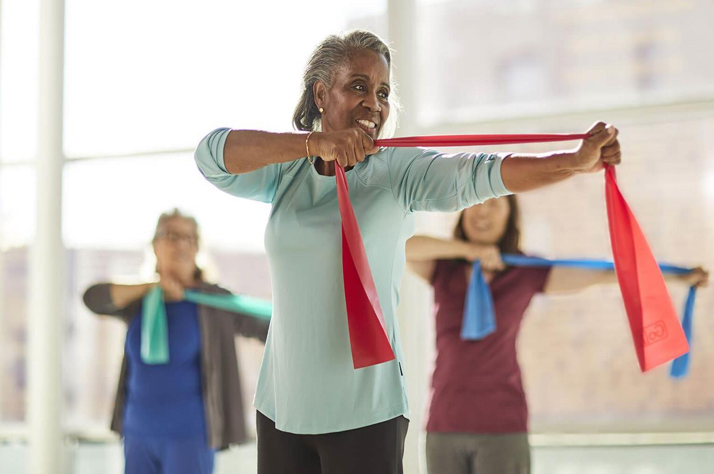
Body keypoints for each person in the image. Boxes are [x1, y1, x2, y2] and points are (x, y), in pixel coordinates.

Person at [194, 29, 622, 474]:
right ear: (321, 94)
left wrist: (572, 161)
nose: (374, 104)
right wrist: (311, 145)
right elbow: (210, 155)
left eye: (382, 92)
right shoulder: (285, 171)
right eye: (358, 86)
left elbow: (483, 175)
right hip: (281, 406)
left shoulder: (398, 172)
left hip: (365, 411)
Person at [406, 196, 709, 474]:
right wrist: (469, 251)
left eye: (495, 204)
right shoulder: (442, 267)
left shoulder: (525, 272)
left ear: (510, 217)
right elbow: (405, 247)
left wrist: (678, 275)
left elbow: (603, 274)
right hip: (443, 423)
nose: (483, 211)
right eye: (476, 202)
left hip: (500, 423)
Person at [82, 209, 269, 474]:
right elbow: (92, 298)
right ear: (155, 245)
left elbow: (270, 328)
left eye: (188, 238)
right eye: (171, 235)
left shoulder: (214, 303)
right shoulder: (138, 301)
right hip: (137, 436)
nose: (180, 244)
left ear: (197, 249)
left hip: (190, 438)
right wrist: (153, 286)